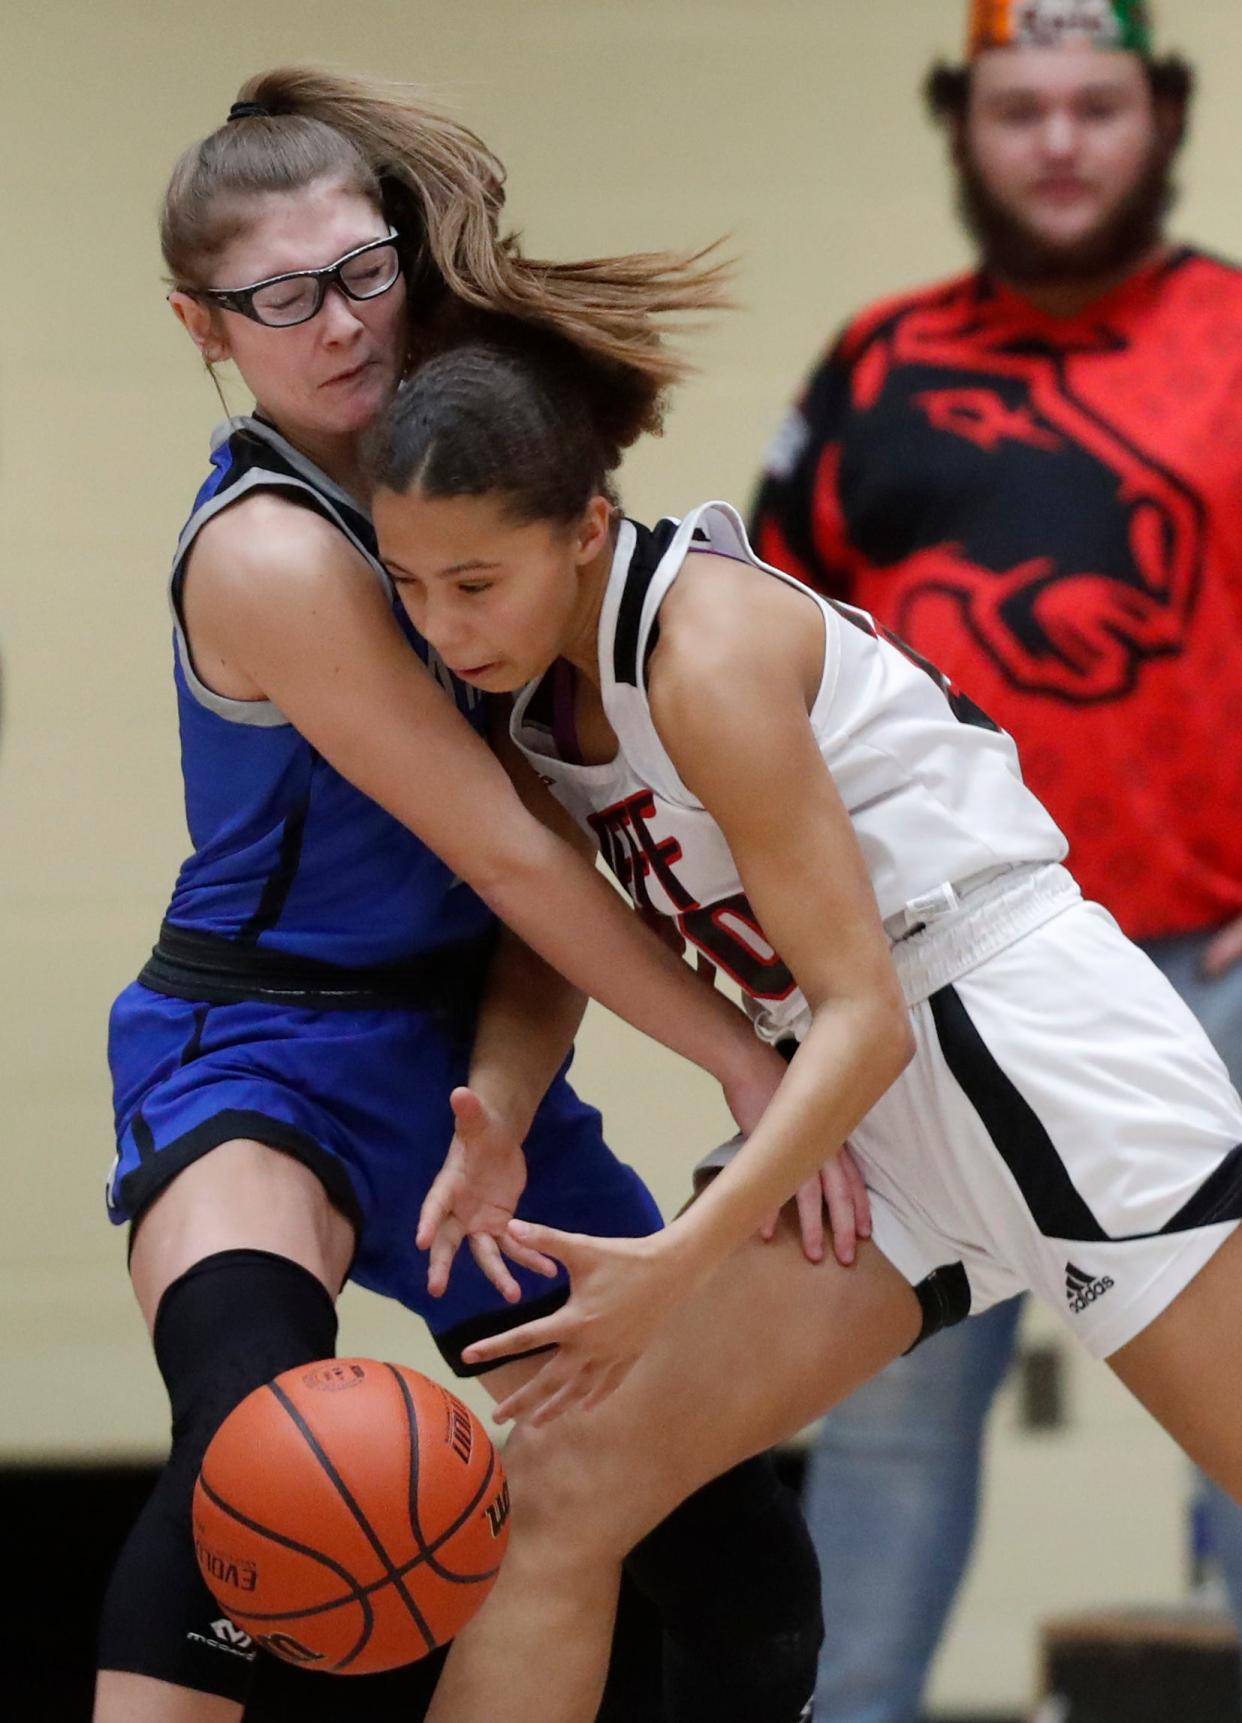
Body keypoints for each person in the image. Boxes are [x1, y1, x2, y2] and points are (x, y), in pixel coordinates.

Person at [96, 65, 844, 1723]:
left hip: (461, 1062)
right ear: (202, 325)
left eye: (364, 270)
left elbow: (544, 874)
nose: (343, 322)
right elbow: (510, 848)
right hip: (257, 1052)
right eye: (278, 299)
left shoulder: (470, 475)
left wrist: (505, 1095)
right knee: (261, 1458)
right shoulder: (275, 552)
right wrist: (742, 1056)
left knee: (740, 1565)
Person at [363, 328, 1242, 1723]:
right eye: (409, 588)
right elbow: (555, 940)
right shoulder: (524, 684)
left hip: (1023, 1041)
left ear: (587, 528)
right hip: (864, 1100)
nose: (444, 627)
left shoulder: (700, 652)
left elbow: (866, 1015)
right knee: (559, 1489)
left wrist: (678, 1256)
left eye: (474, 582)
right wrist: (501, 1110)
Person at [750, 0, 1242, 1713]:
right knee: (880, 1430)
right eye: (1018, 107)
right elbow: (751, 669)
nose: (1055, 143)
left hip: (1205, 974)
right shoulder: (874, 372)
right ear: (963, 123)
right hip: (914, 992)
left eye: (1093, 105)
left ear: (1161, 117)